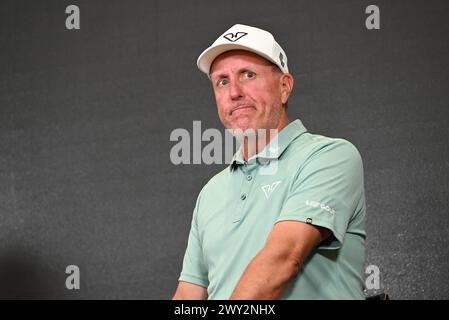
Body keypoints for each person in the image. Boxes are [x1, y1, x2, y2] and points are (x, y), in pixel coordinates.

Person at [172, 24, 366, 300]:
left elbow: (283, 259)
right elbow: (188, 294)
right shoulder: (210, 193)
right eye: (222, 81)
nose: (234, 92)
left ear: (284, 87)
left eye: (247, 75)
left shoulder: (329, 157)